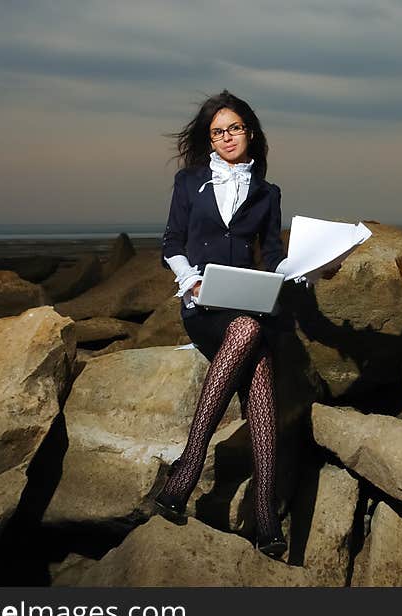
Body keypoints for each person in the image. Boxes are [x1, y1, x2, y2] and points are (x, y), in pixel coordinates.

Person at [154, 90, 293, 558]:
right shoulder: (188, 180)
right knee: (252, 340)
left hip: (246, 305)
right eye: (218, 132)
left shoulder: (267, 192)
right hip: (202, 306)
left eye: (234, 128)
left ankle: (220, 494)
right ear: (209, 140)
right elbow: (171, 241)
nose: (226, 137)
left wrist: (294, 272)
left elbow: (270, 253)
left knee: (258, 370)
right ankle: (249, 503)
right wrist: (190, 281)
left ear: (249, 132)